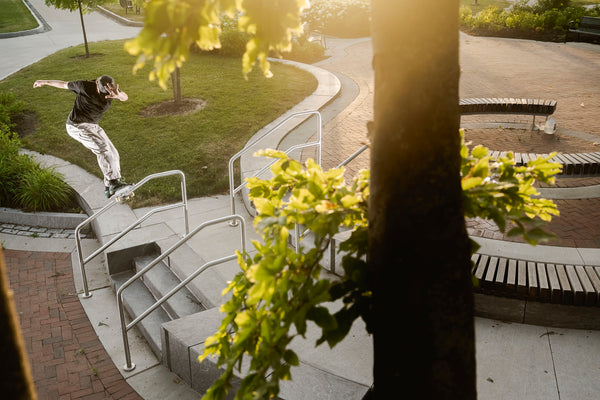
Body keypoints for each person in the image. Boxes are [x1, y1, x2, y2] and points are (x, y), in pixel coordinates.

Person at [33, 75, 130, 198]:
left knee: (113, 152)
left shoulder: (111, 90)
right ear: (96, 84)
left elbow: (125, 98)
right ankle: (113, 182)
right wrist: (44, 81)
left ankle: (109, 187)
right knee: (102, 148)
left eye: (107, 92)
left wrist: (117, 95)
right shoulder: (84, 86)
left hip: (92, 125)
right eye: (102, 91)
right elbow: (64, 84)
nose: (104, 95)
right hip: (76, 126)